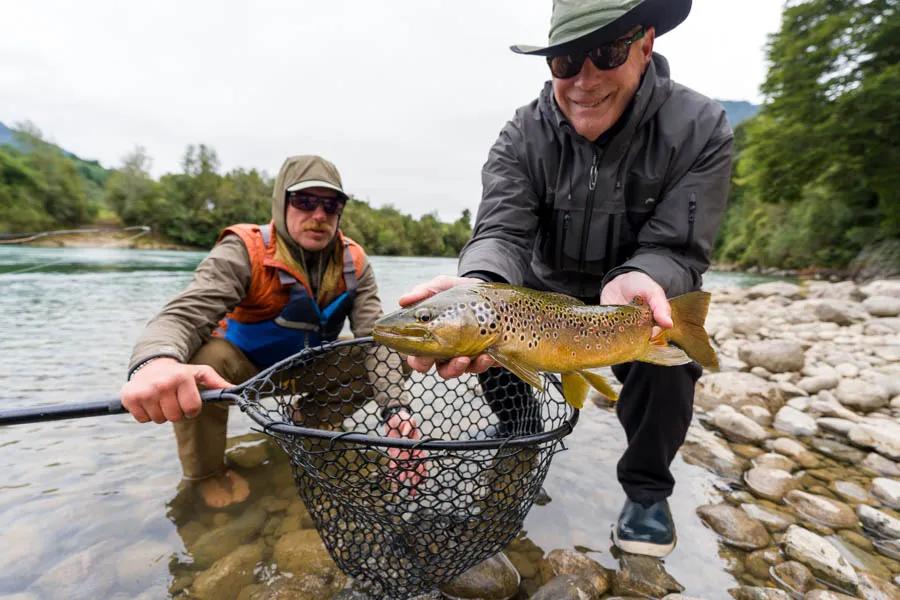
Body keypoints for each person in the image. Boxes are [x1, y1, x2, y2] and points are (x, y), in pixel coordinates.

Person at [402, 0, 732, 558]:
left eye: (605, 53)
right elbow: (501, 234)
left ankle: (647, 491)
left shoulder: (699, 127)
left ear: (645, 45)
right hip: (542, 291)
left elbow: (678, 246)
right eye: (566, 61)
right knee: (494, 323)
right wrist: (475, 288)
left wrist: (639, 278)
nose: (584, 80)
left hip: (633, 290)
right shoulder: (522, 135)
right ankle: (521, 430)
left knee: (669, 343)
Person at [121, 155, 419, 508]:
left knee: (391, 353)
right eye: (305, 202)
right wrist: (155, 362)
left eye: (331, 204)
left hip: (308, 367)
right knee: (201, 361)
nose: (319, 215)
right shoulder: (243, 250)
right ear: (281, 203)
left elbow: (374, 339)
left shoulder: (354, 261)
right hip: (242, 370)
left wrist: (396, 411)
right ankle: (205, 473)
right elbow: (183, 315)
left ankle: (305, 423)